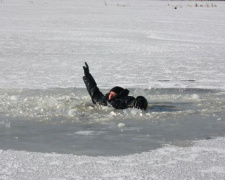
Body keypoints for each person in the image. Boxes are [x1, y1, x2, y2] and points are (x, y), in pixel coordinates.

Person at [83, 62, 148, 110]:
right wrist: (87, 76)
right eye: (110, 94)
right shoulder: (102, 99)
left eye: (113, 95)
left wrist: (140, 100)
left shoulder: (122, 100)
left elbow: (132, 101)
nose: (110, 96)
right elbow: (93, 89)